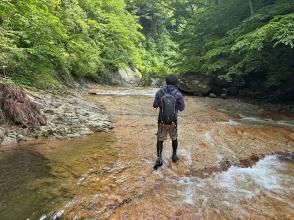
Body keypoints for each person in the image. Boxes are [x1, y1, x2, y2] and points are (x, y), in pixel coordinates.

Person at [153, 75, 185, 169]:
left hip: (162, 120)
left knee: (160, 139)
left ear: (166, 82)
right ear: (175, 83)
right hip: (173, 121)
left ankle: (159, 158)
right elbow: (182, 108)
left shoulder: (160, 92)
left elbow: (154, 105)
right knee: (174, 138)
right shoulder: (178, 94)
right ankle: (174, 155)